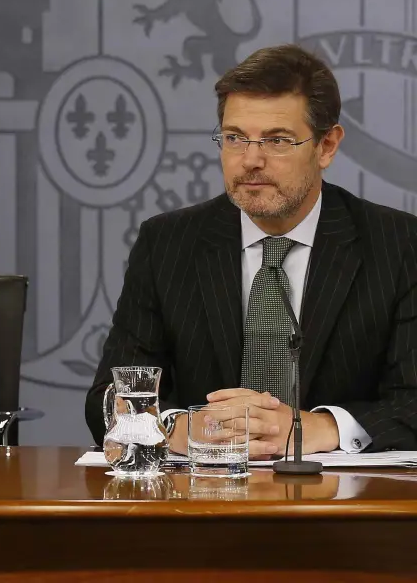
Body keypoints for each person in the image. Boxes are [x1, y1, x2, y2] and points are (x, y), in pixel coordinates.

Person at [85, 43, 417, 456]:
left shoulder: (399, 244)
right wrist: (179, 427)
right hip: (203, 490)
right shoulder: (167, 243)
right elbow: (107, 397)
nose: (251, 160)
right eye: (235, 138)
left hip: (338, 493)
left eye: (277, 140)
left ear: (327, 146)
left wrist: (321, 428)